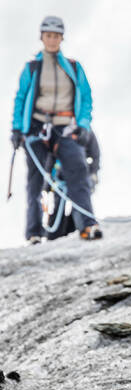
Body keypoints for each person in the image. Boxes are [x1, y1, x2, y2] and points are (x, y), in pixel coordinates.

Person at [11, 15, 102, 244]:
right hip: (37, 130)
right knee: (35, 181)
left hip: (65, 128)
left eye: (56, 36)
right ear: (42, 37)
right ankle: (33, 233)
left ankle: (88, 225)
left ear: (62, 38)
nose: (52, 40)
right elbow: (21, 99)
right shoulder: (32, 68)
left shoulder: (73, 67)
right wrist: (17, 129)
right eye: (48, 35)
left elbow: (86, 97)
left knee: (78, 171)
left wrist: (83, 125)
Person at [43, 129, 100, 240]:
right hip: (61, 178)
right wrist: (48, 182)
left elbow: (95, 153)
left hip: (79, 176)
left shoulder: (86, 131)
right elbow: (51, 157)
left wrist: (93, 174)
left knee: (79, 205)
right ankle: (53, 237)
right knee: (58, 206)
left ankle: (82, 230)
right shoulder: (58, 130)